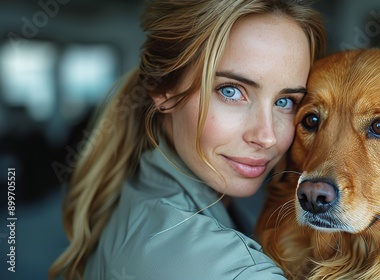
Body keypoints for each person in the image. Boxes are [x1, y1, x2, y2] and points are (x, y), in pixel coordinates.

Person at [49, 0, 325, 279]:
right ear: (164, 90)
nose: (266, 136)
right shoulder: (231, 269)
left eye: (286, 101)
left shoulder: (136, 191)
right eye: (231, 91)